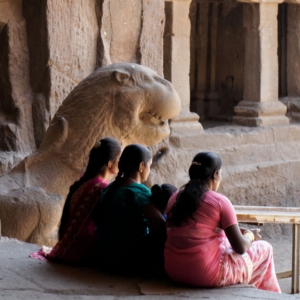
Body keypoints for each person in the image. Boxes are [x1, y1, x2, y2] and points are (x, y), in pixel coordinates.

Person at [164, 152, 281, 293]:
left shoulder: (174, 198)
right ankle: (271, 295)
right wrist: (250, 235)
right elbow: (241, 248)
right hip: (205, 274)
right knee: (265, 248)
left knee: (224, 242)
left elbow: (197, 230)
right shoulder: (219, 201)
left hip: (174, 270)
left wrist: (237, 231)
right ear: (215, 174)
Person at [44, 137, 122, 265]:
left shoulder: (86, 180)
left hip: (70, 242)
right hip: (82, 245)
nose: (120, 163)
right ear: (109, 163)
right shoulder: (100, 186)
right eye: (119, 160)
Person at [94, 144, 166, 275]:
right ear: (141, 167)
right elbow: (161, 227)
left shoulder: (109, 188)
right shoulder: (138, 191)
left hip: (102, 256)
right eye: (149, 165)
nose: (149, 170)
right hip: (126, 261)